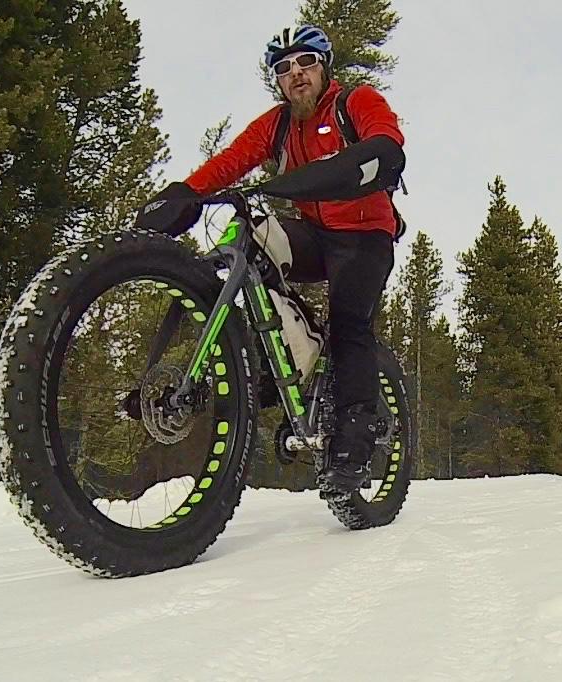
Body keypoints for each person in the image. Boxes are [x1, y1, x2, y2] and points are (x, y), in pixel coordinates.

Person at [135, 25, 406, 493]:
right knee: (250, 239)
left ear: (325, 67)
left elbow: (385, 139)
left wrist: (372, 155)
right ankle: (284, 350)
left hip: (364, 236)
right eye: (283, 68)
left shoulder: (354, 102)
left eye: (306, 62)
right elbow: (230, 161)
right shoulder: (278, 125)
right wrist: (183, 195)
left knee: (349, 324)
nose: (295, 74)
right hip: (314, 234)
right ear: (277, 82)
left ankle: (355, 438)